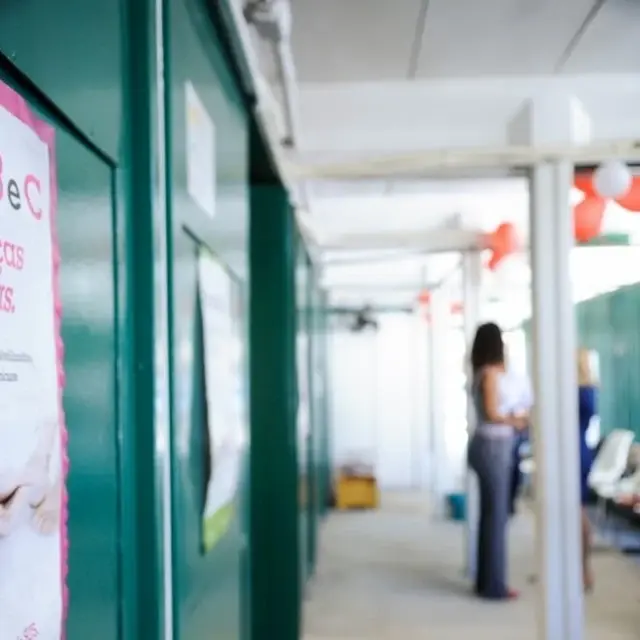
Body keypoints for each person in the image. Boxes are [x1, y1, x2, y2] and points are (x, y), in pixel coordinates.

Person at [467, 322, 528, 601]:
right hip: (493, 448)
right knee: (496, 519)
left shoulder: (483, 372)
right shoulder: (490, 374)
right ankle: (494, 586)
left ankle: (486, 581)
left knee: (491, 517)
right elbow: (492, 412)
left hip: (487, 447)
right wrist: (516, 420)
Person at [577, 348, 597, 592]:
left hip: (573, 455)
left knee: (576, 513)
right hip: (580, 452)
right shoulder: (588, 390)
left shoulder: (577, 392)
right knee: (577, 512)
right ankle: (583, 570)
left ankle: (583, 570)